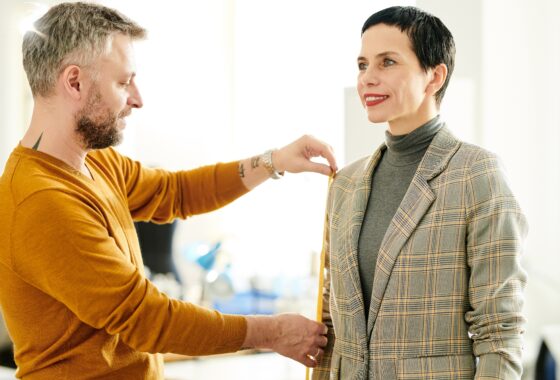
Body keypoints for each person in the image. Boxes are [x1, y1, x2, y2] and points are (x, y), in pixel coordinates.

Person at [0, 2, 337, 379]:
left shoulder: (95, 163)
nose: (137, 98)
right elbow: (146, 319)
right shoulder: (41, 201)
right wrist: (271, 332)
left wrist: (273, 161)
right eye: (123, 82)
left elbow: (175, 193)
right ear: (74, 82)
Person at [313, 6, 527, 380]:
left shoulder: (477, 174)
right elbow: (333, 322)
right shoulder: (344, 184)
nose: (368, 79)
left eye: (387, 62)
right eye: (363, 65)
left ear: (434, 76)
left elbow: (500, 332)